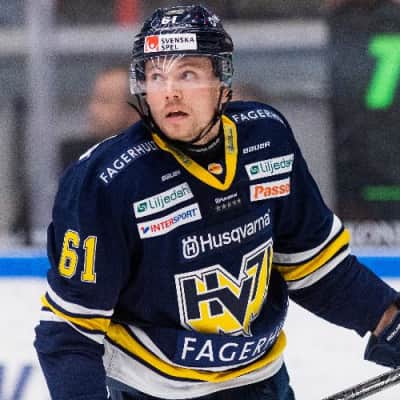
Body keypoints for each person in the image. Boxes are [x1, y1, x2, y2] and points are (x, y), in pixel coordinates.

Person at [34, 5, 400, 400]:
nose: (170, 91)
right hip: (153, 394)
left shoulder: (266, 139)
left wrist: (391, 321)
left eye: (187, 74)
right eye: (156, 76)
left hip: (261, 384)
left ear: (222, 80)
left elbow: (318, 268)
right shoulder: (106, 182)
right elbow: (69, 332)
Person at [59, 66, 140, 171]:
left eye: (104, 101)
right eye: (93, 99)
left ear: (135, 110)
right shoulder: (79, 159)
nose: (93, 109)